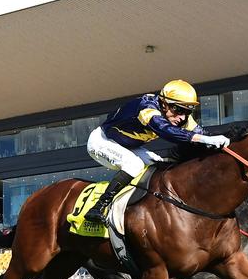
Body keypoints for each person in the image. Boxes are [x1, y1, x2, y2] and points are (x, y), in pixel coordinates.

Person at [84, 79, 230, 222]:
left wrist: (221, 141)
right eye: (178, 110)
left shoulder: (181, 117)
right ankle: (98, 207)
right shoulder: (147, 108)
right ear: (164, 104)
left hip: (129, 146)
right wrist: (204, 139)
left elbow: (203, 134)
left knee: (159, 164)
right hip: (101, 141)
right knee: (134, 165)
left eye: (187, 111)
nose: (182, 117)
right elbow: (166, 130)